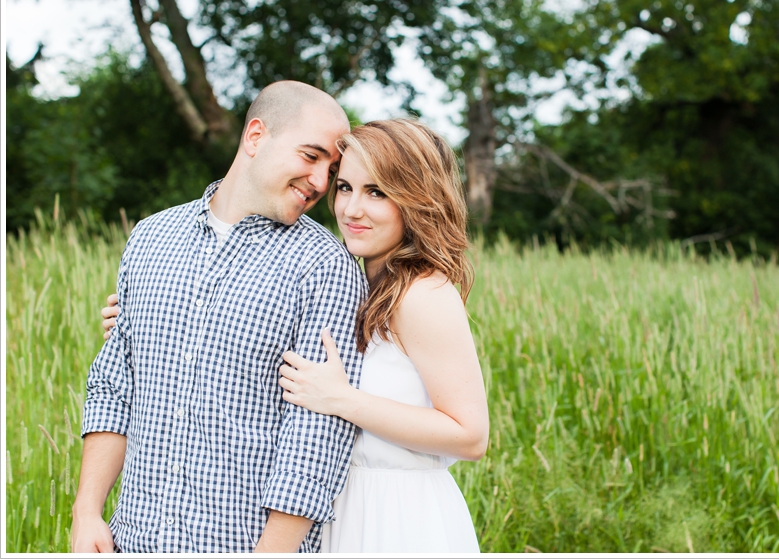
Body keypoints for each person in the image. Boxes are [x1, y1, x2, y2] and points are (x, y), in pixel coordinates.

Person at [102, 118, 489, 552]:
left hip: (396, 515)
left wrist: (344, 400)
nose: (352, 209)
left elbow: (470, 435)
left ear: (417, 198)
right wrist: (156, 321)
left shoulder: (424, 294)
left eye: (377, 192)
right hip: (337, 510)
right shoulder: (360, 283)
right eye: (345, 187)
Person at [74, 81, 367, 553]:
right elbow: (114, 384)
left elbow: (317, 436)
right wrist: (87, 512)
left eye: (331, 169)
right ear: (255, 136)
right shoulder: (150, 238)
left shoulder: (325, 267)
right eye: (311, 156)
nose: (320, 181)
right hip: (132, 540)